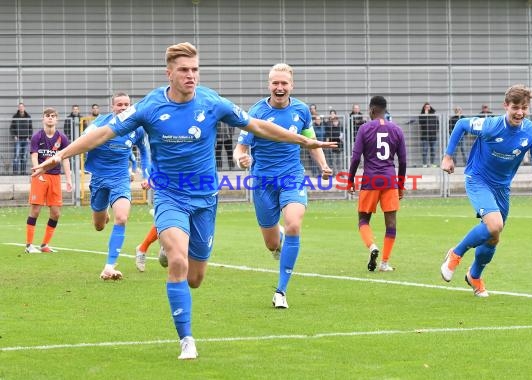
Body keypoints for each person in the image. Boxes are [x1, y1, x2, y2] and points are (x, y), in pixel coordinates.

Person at [32, 42, 336, 360]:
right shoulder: (149, 106)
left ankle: (170, 248)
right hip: (169, 195)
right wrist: (60, 156)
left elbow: (257, 125)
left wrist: (304, 139)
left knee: (195, 279)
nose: (191, 76)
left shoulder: (211, 101)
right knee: (179, 261)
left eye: (195, 70)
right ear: (170, 73)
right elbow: (102, 132)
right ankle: (186, 339)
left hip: (205, 197)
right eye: (184, 70)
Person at [233, 63, 332, 309]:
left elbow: (310, 141)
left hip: (292, 176)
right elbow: (241, 148)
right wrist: (241, 159)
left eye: (284, 83)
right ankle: (278, 244)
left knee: (294, 225)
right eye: (275, 83)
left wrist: (323, 165)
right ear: (269, 85)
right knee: (272, 244)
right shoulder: (256, 112)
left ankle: (281, 291)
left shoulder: (301, 110)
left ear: (291, 85)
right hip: (262, 181)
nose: (279, 87)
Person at [440, 84, 532, 297]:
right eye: (515, 107)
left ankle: (474, 275)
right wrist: (448, 156)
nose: (520, 112)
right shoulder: (491, 125)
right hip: (478, 179)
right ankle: (455, 254)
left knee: (494, 237)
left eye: (524, 108)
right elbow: (462, 124)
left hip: (502, 188)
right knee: (494, 225)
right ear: (506, 106)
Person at [82, 92, 151, 281]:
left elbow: (145, 152)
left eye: (126, 104)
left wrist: (147, 175)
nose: (123, 107)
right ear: (112, 107)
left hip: (121, 178)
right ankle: (103, 213)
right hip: (99, 179)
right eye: (119, 104)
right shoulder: (100, 124)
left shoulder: (137, 128)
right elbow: (83, 140)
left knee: (121, 218)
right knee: (99, 226)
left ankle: (109, 267)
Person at [347, 96, 407, 272]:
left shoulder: (364, 129)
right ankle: (385, 263)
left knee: (363, 219)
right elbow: (403, 161)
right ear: (385, 110)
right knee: (391, 223)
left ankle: (372, 246)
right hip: (389, 180)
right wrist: (400, 185)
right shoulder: (397, 130)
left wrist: (350, 180)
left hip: (370, 180)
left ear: (372, 110)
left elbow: (356, 158)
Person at [25, 108, 73, 253]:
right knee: (35, 209)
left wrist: (69, 179)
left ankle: (44, 244)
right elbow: (34, 156)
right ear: (43, 119)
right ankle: (29, 245)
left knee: (56, 213)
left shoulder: (62, 138)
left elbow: (65, 160)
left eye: (53, 116)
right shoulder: (37, 136)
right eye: (47, 116)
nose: (50, 118)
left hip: (55, 178)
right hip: (41, 176)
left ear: (56, 119)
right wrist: (37, 171)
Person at [10, 102, 34, 175]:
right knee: (16, 156)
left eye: (22, 107)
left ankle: (23, 172)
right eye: (20, 107)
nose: (21, 108)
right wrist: (14, 136)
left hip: (26, 139)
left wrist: (29, 137)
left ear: (24, 108)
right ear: (18, 108)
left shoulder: (28, 116)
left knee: (24, 156)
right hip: (18, 139)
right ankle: (15, 172)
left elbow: (31, 128)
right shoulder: (15, 116)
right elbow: (12, 128)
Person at [418, 102, 439, 167]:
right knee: (425, 150)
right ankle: (424, 164)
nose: (427, 108)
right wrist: (425, 114)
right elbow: (421, 122)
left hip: (433, 135)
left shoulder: (433, 115)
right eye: (426, 107)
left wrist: (435, 131)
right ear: (424, 108)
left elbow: (437, 124)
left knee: (433, 150)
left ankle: (432, 163)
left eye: (428, 107)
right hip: (425, 135)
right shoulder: (422, 115)